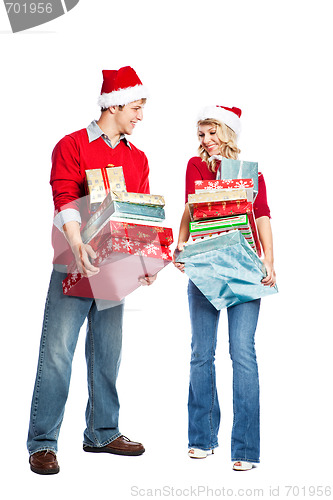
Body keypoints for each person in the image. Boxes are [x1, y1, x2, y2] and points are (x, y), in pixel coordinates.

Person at [27, 66, 156, 475]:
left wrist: (144, 262)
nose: (140, 116)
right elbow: (64, 194)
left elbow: (138, 216)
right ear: (113, 105)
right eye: (135, 108)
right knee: (57, 353)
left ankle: (102, 431)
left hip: (116, 269)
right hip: (73, 263)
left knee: (108, 354)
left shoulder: (138, 158)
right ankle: (43, 443)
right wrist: (77, 241)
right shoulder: (72, 145)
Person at [174, 105, 276, 471]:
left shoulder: (251, 174)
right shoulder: (195, 167)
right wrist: (180, 243)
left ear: (228, 134)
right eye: (201, 134)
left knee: (242, 353)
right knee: (202, 353)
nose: (207, 140)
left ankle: (246, 449)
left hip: (245, 265)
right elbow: (190, 208)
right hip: (204, 264)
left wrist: (270, 260)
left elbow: (261, 213)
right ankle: (202, 438)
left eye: (213, 132)